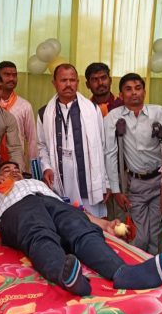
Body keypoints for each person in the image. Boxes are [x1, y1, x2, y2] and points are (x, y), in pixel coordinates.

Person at [0, 161, 162, 296]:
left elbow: (73, 212)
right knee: (39, 233)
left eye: (16, 169)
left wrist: (103, 224)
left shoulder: (37, 183)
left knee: (79, 227)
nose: (14, 172)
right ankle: (67, 278)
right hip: (18, 208)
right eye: (7, 170)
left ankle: (122, 272)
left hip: (50, 202)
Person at [103, 73, 162, 254]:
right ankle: (139, 266)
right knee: (140, 237)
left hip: (158, 181)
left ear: (144, 92)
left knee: (155, 234)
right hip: (135, 185)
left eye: (138, 88)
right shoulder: (113, 117)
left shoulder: (159, 112)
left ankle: (154, 267)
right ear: (121, 94)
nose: (134, 93)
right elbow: (110, 154)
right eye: (128, 89)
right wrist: (116, 190)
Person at [37, 64, 109, 218]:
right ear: (54, 83)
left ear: (78, 82)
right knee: (64, 223)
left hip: (87, 182)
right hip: (60, 180)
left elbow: (103, 147)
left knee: (93, 224)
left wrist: (106, 183)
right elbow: (41, 145)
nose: (68, 84)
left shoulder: (93, 109)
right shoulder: (44, 113)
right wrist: (46, 167)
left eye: (72, 80)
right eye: (63, 80)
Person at [0, 61, 38, 174]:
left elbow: (32, 140)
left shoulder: (25, 106)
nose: (11, 78)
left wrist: (33, 171)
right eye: (7, 75)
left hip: (17, 165)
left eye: (14, 75)